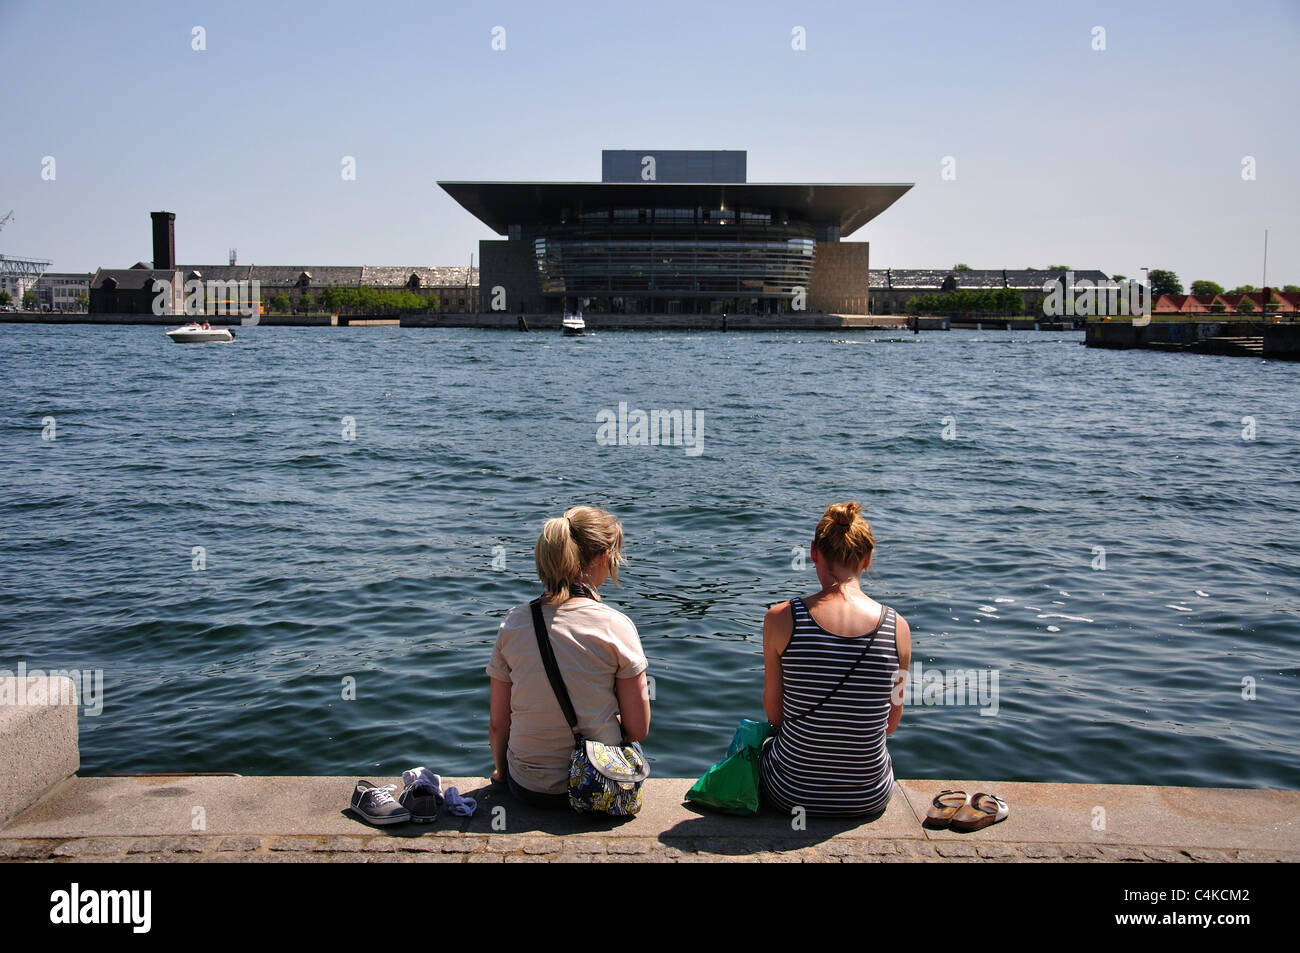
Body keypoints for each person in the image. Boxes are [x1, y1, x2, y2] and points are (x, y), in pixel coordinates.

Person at [487, 506, 650, 808]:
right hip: (598, 783)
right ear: (603, 556)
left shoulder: (513, 622)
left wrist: (501, 772)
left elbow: (498, 724)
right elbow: (638, 728)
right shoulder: (616, 625)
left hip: (527, 786)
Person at [759, 501, 911, 817]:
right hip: (869, 797)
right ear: (867, 559)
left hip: (791, 794)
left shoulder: (781, 618)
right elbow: (891, 724)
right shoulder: (898, 628)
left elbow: (775, 715)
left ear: (814, 552)